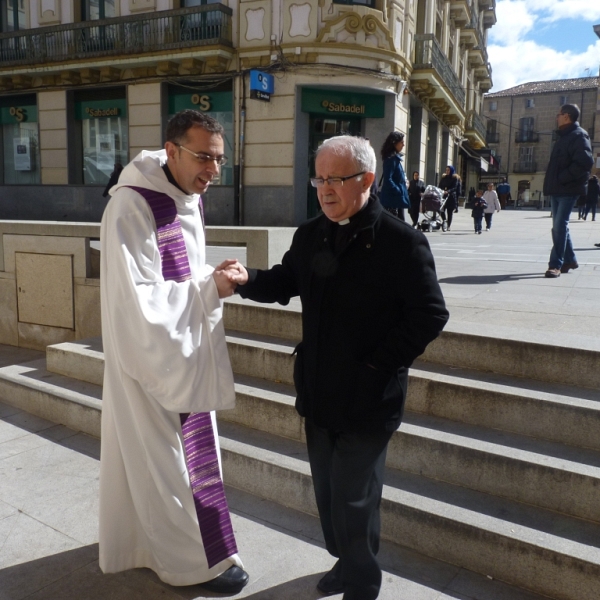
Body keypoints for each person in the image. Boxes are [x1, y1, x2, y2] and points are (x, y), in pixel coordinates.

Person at [233, 136, 449, 600]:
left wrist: (377, 364)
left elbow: (430, 315)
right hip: (318, 392)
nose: (324, 189)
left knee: (355, 500)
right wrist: (246, 280)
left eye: (336, 179)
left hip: (369, 399)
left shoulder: (402, 242)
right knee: (330, 499)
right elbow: (285, 280)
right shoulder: (310, 233)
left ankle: (361, 583)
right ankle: (346, 562)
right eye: (319, 179)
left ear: (367, 180)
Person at [99, 110, 249, 594]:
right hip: (148, 355)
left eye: (220, 160)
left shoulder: (187, 197)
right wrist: (210, 291)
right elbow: (138, 301)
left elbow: (178, 275)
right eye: (204, 157)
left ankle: (149, 543)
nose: (213, 171)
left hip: (179, 346)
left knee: (176, 459)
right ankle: (191, 564)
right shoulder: (131, 205)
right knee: (165, 460)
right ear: (171, 150)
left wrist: (209, 279)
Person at [543, 104, 593, 278]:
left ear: (567, 116)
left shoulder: (579, 135)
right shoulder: (564, 137)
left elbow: (585, 163)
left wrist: (563, 178)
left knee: (559, 226)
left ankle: (556, 264)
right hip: (558, 188)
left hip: (568, 188)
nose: (556, 117)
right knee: (559, 226)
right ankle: (570, 259)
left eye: (559, 114)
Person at [378, 131, 410, 221]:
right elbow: (388, 179)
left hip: (396, 199)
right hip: (392, 200)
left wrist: (404, 181)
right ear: (394, 143)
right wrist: (398, 190)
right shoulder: (391, 159)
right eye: (402, 142)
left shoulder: (395, 158)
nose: (403, 145)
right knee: (396, 225)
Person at [438, 165, 459, 230]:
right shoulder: (443, 178)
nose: (447, 171)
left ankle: (448, 226)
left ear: (451, 171)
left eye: (448, 170)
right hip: (443, 196)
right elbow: (440, 185)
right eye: (446, 170)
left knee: (449, 212)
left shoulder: (454, 178)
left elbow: (455, 187)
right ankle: (444, 220)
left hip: (451, 196)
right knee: (440, 209)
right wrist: (440, 190)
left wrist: (448, 191)